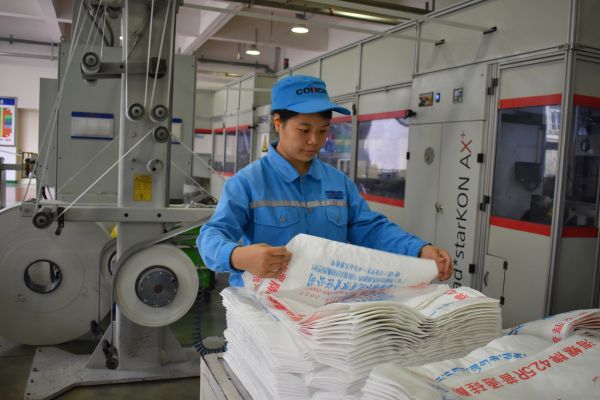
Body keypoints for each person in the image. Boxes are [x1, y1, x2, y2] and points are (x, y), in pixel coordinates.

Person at [198, 75, 452, 287]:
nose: (315, 141)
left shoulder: (338, 183)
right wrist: (238, 256)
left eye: (323, 130)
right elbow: (211, 236)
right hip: (266, 312)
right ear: (278, 123)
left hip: (325, 310)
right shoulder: (248, 183)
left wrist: (418, 249)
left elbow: (371, 228)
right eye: (304, 130)